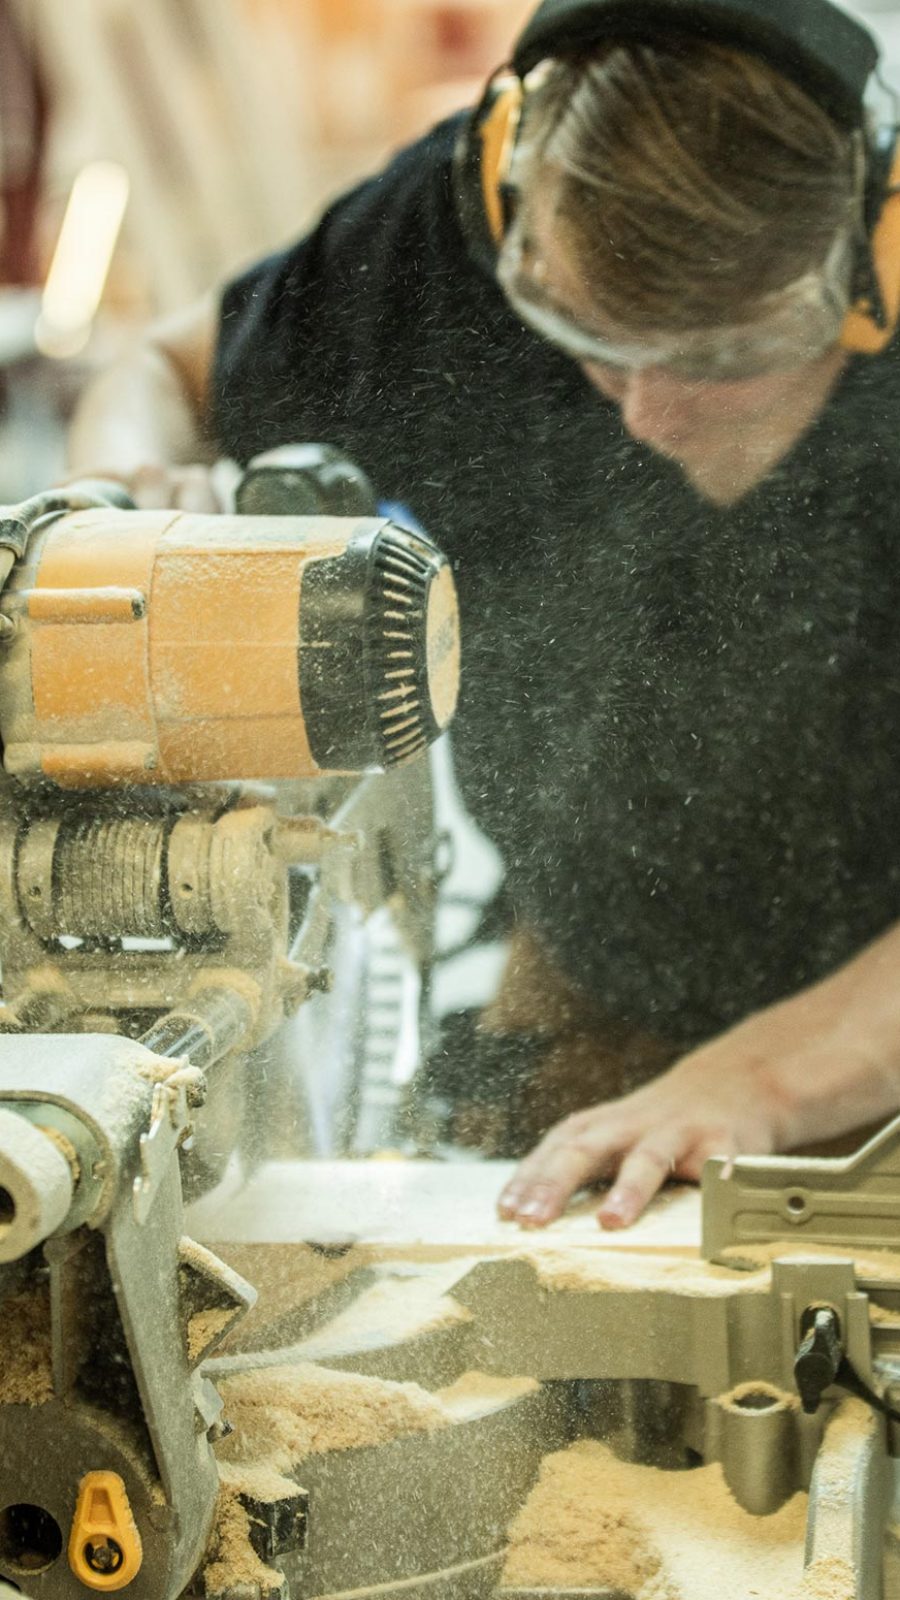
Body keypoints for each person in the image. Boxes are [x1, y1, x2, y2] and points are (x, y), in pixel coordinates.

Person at [67, 0, 900, 1233]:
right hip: (591, 963)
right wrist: (136, 499)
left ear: (868, 272)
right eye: (594, 346)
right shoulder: (439, 237)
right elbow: (158, 372)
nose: (647, 419)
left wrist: (768, 1080)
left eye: (717, 356)